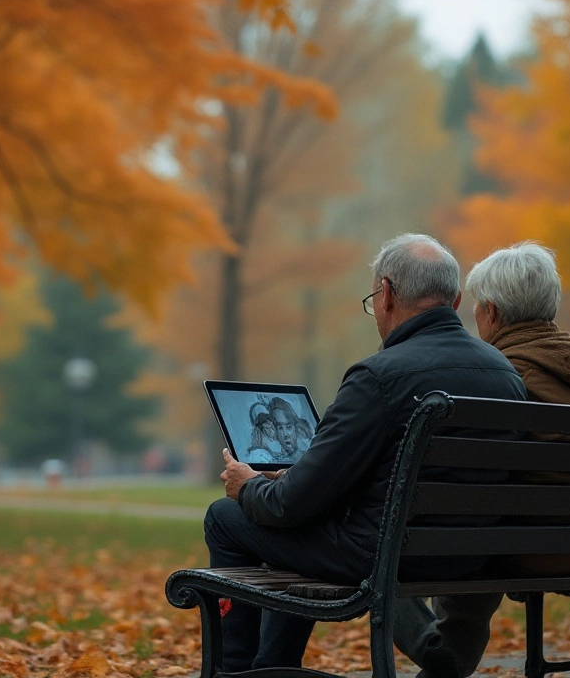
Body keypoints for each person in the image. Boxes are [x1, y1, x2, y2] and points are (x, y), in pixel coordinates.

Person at [205, 234, 527, 677]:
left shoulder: (379, 376)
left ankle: (239, 672)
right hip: (469, 558)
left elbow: (291, 504)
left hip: (379, 556)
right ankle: (270, 663)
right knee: (288, 518)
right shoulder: (505, 374)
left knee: (225, 517)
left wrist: (249, 486)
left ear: (386, 293)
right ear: (454, 299)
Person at [393, 240, 570, 678]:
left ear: (492, 313)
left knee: (391, 546)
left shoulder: (500, 375)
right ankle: (442, 664)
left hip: (523, 549)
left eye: (478, 306)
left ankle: (437, 657)